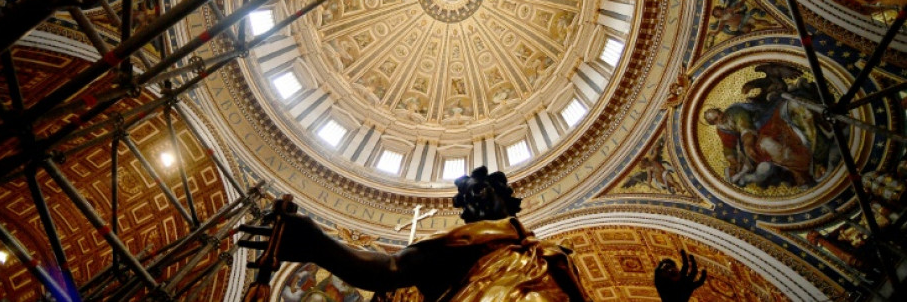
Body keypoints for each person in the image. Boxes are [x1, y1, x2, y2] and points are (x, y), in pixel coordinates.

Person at [266, 166, 707, 301]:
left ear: (505, 197)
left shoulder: (553, 256)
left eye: (482, 194)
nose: (476, 204)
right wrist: (316, 244)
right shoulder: (466, 245)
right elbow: (391, 268)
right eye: (469, 202)